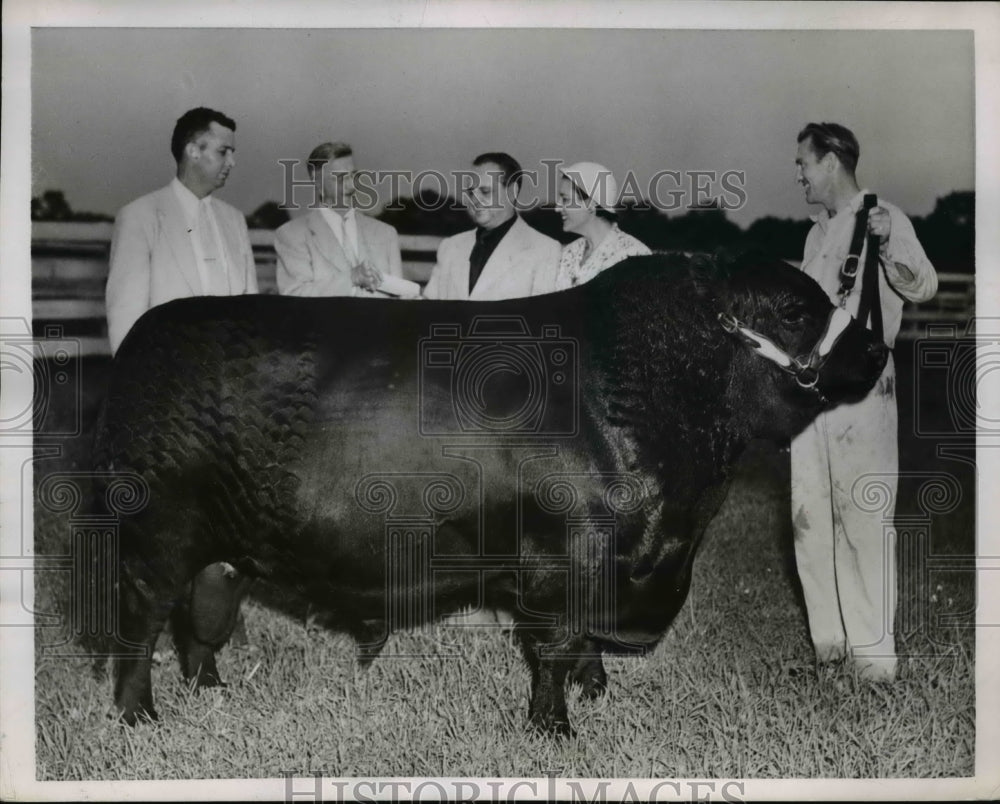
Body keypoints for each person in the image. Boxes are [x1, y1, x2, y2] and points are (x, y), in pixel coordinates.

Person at [790, 121, 937, 681]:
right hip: (811, 392)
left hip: (864, 389)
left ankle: (874, 662)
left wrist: (889, 242)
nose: (799, 173)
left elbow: (923, 287)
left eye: (804, 162)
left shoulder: (884, 216)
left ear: (831, 161)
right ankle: (831, 649)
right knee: (810, 518)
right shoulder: (815, 234)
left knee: (865, 519)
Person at [105, 107, 258, 355]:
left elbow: (252, 310)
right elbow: (125, 318)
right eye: (223, 152)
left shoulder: (235, 220)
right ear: (193, 150)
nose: (232, 162)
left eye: (232, 153)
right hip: (168, 379)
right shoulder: (139, 216)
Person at [274, 142, 406, 298]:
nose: (351, 186)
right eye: (341, 178)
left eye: (354, 175)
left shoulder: (386, 234)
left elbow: (400, 301)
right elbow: (295, 297)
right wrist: (351, 278)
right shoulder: (292, 235)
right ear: (317, 182)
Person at [422, 152, 560, 300]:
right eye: (470, 192)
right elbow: (429, 307)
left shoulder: (545, 250)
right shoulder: (449, 247)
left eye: (485, 191)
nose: (475, 200)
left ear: (512, 192)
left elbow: (542, 318)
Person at [553, 161, 650, 290]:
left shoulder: (634, 255)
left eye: (565, 199)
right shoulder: (568, 253)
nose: (557, 208)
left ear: (591, 203)